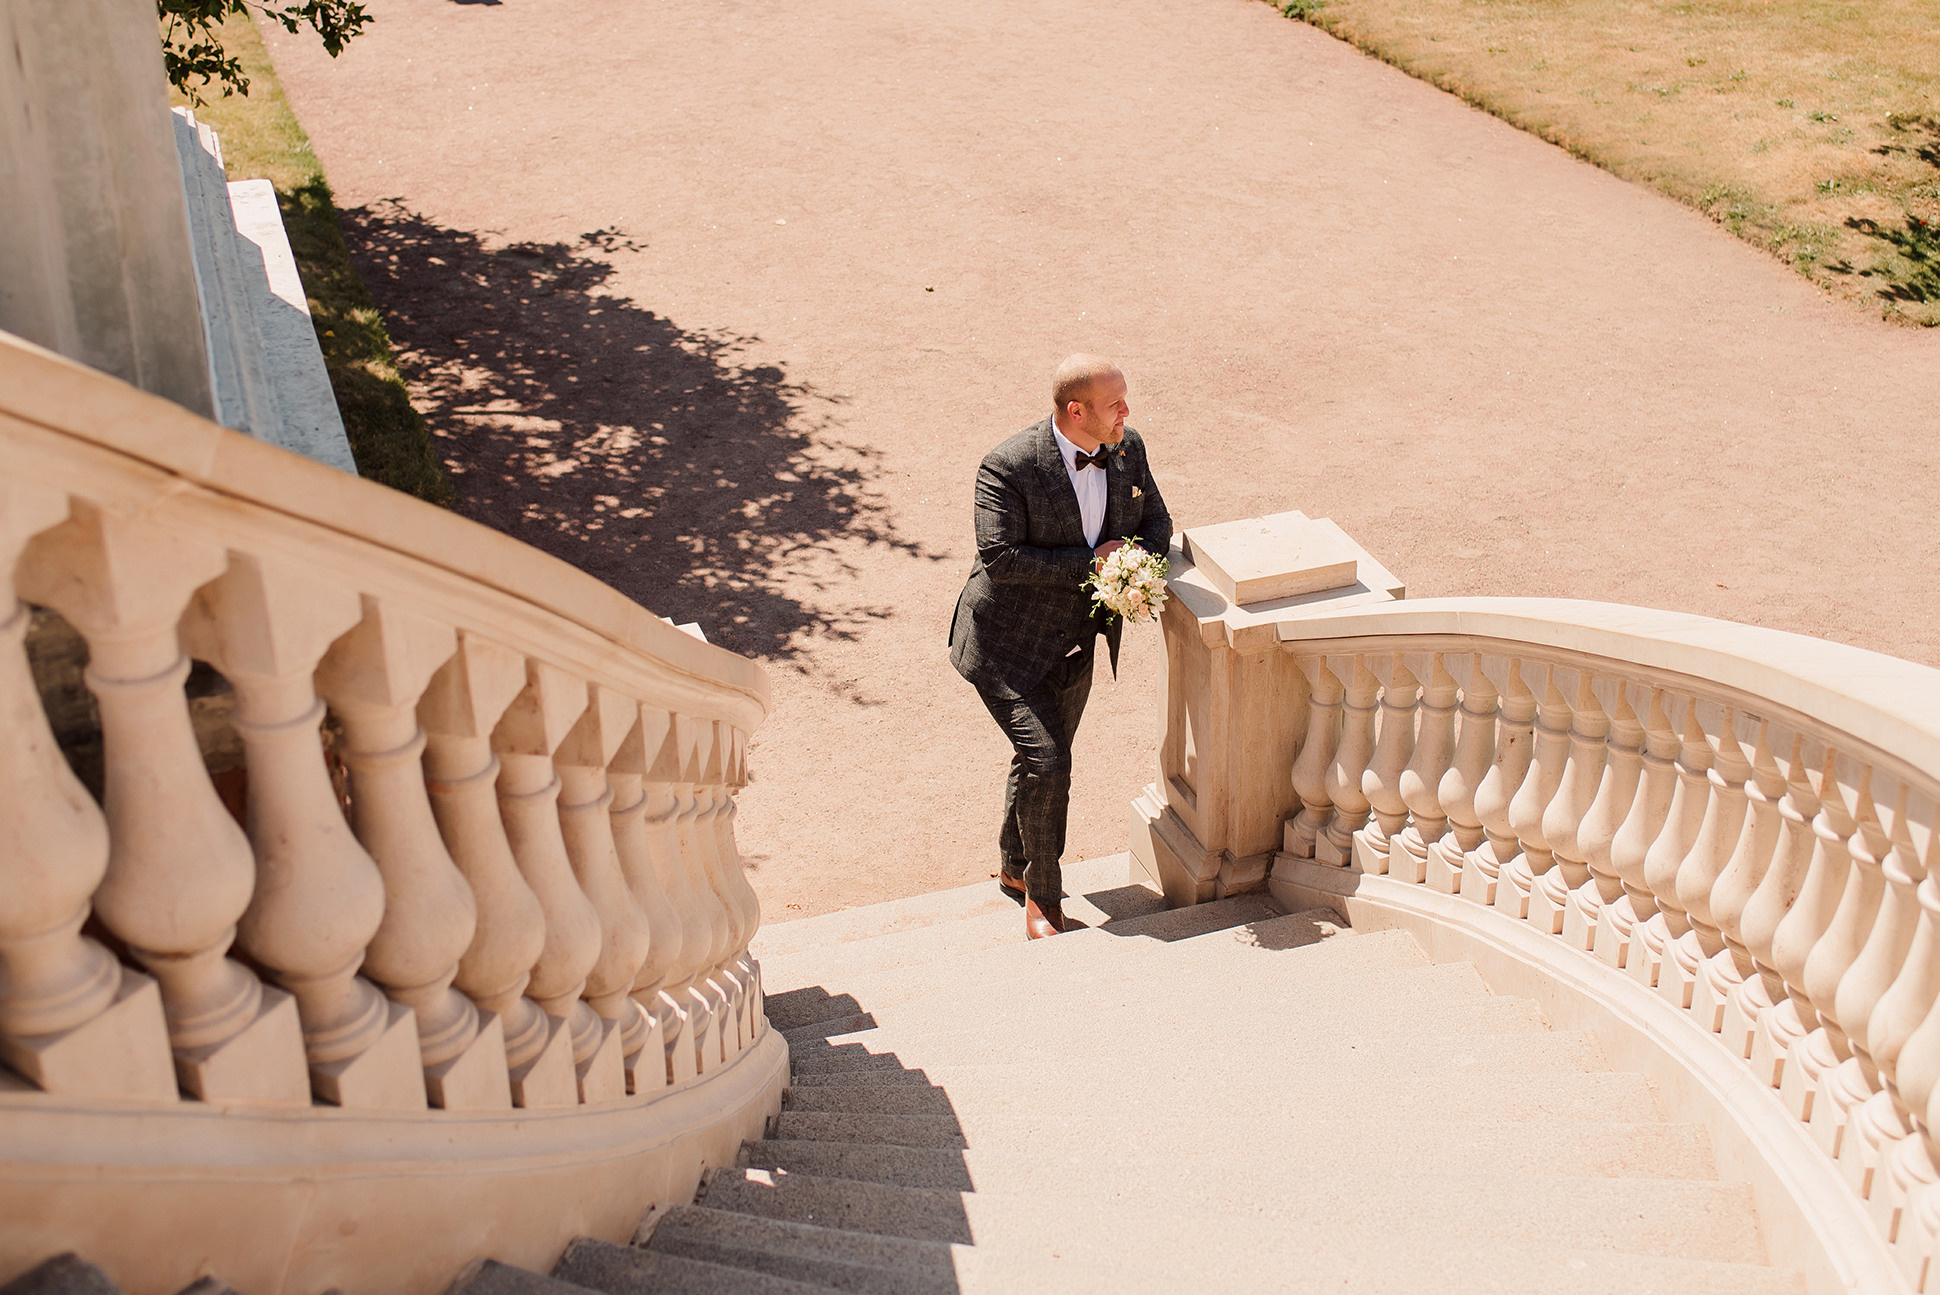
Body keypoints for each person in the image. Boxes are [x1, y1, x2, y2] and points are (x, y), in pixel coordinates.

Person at [947, 355, 1173, 939]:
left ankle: (1015, 867)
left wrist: (1131, 566)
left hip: (1075, 644)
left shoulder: (1128, 447)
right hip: (1007, 647)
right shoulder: (1008, 466)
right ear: (1077, 411)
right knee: (1050, 760)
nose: (1127, 411)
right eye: (1113, 402)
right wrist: (1095, 567)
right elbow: (1001, 560)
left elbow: (1157, 526)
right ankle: (1044, 902)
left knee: (1041, 760)